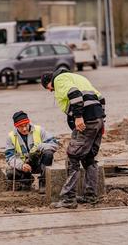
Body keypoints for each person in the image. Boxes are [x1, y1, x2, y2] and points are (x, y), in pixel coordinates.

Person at [41, 69, 105, 208]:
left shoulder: (59, 80)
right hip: (97, 119)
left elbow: (74, 93)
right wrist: (101, 120)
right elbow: (101, 98)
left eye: (49, 89)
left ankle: (68, 200)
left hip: (86, 120)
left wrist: (78, 117)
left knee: (73, 157)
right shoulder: (78, 77)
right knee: (89, 158)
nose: (51, 91)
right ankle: (91, 196)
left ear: (49, 83)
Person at [5, 111, 58, 193]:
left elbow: (54, 144)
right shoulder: (11, 137)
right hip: (25, 166)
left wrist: (40, 146)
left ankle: (43, 182)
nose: (24, 129)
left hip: (40, 163)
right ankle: (27, 180)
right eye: (20, 126)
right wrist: (22, 166)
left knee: (48, 153)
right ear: (16, 126)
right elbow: (10, 158)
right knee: (10, 172)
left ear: (28, 122)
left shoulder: (39, 130)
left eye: (26, 125)